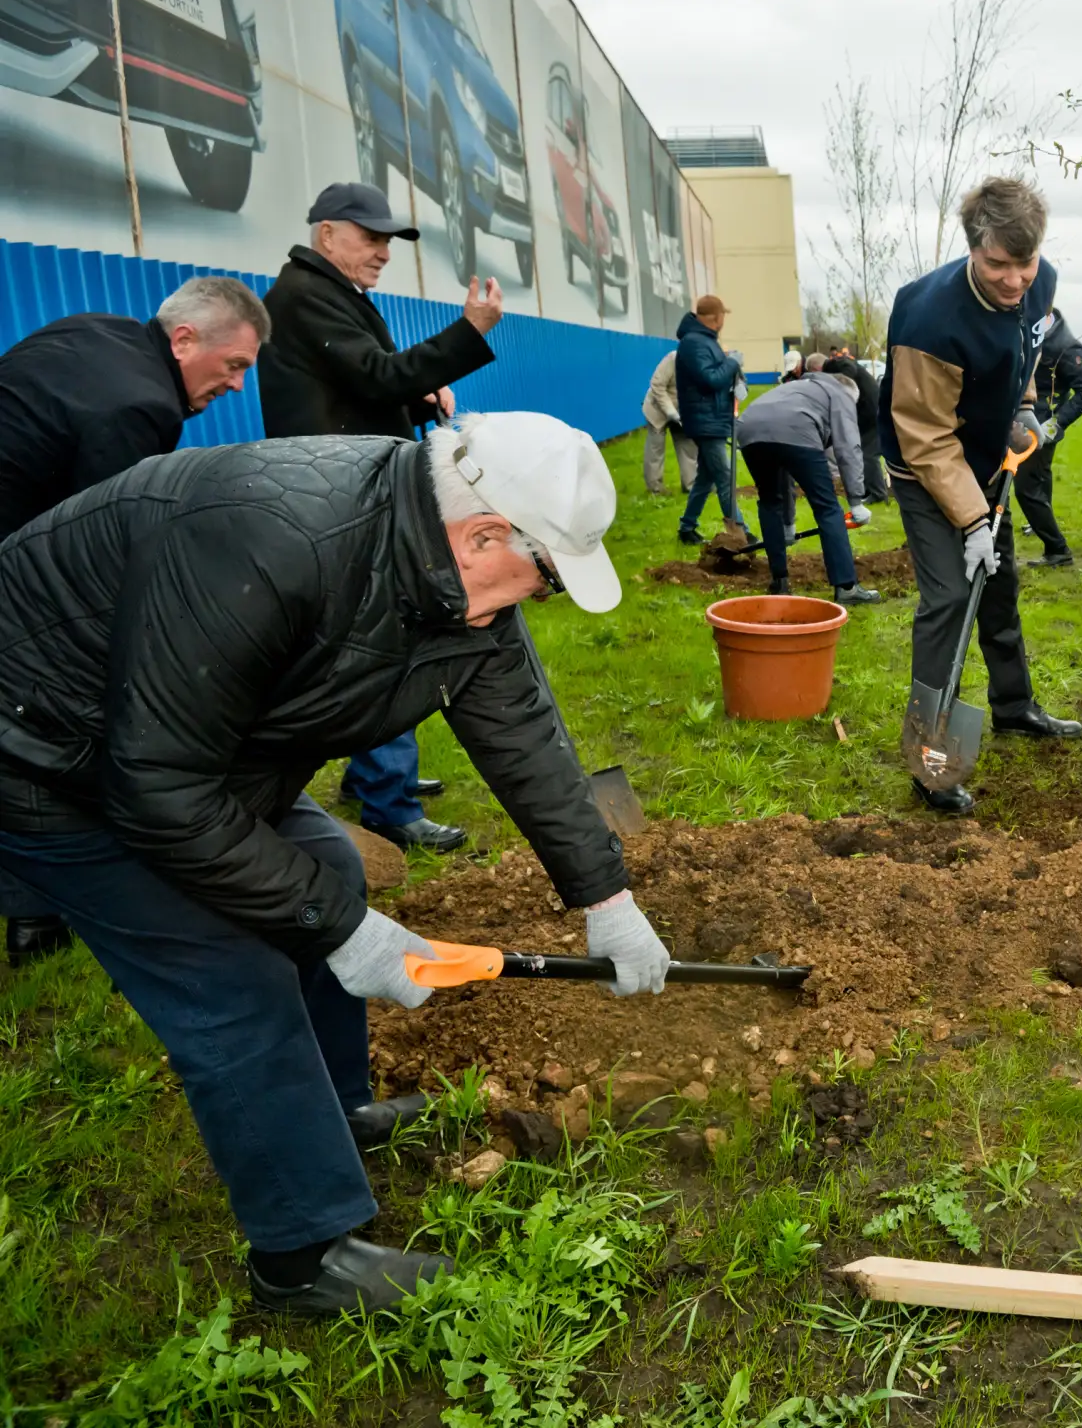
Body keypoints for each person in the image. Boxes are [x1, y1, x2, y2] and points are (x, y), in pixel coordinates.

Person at [0, 410, 670, 1315]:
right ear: (483, 536)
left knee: (331, 869)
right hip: (50, 755)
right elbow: (155, 789)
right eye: (546, 576)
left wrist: (606, 897)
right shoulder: (274, 538)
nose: (539, 599)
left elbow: (520, 729)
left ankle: (335, 1110)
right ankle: (301, 1254)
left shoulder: (442, 561)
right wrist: (344, 932)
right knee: (231, 971)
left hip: (195, 748)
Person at [0, 275, 268, 966]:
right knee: (42, 731)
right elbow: (101, 549)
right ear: (184, 340)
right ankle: (39, 916)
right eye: (234, 364)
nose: (237, 385)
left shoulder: (94, 329)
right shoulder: (142, 405)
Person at [260, 180, 505, 855]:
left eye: (388, 241)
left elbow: (359, 387)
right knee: (384, 634)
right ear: (327, 233)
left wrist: (417, 400)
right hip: (339, 496)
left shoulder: (328, 293)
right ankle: (388, 803)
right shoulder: (305, 295)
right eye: (371, 238)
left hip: (342, 488)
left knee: (369, 632)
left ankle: (375, 775)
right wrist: (469, 333)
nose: (383, 252)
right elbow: (376, 377)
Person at [879, 176, 1082, 816]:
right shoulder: (928, 319)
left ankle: (1014, 706)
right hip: (926, 468)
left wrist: (1024, 408)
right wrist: (971, 520)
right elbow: (924, 436)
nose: (1014, 280)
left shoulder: (1040, 282)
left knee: (999, 585)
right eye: (998, 265)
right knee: (949, 600)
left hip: (988, 461)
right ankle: (929, 759)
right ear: (973, 248)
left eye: (1025, 263)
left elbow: (1025, 355)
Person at [737, 370, 879, 605]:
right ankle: (846, 587)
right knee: (827, 508)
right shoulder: (841, 394)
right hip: (797, 430)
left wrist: (788, 524)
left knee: (770, 501)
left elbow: (783, 468)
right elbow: (848, 448)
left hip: (749, 429)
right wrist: (856, 502)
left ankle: (780, 583)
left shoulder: (797, 388)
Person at [1016, 307, 1082, 569]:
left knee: (1026, 488)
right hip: (1021, 420)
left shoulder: (1065, 347)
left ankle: (1057, 550)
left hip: (1041, 425)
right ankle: (1040, 523)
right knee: (1040, 478)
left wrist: (1056, 424)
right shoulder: (1026, 333)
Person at [675, 294, 753, 545]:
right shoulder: (694, 343)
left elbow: (717, 378)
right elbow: (710, 379)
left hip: (712, 418)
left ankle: (687, 527)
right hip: (705, 421)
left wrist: (736, 381)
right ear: (717, 318)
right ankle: (740, 532)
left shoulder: (705, 341)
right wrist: (732, 362)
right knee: (725, 477)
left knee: (706, 477)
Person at [821, 350, 889, 503]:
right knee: (861, 454)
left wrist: (840, 384)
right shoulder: (836, 367)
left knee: (868, 455)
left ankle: (878, 494)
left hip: (872, 414)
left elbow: (850, 368)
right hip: (866, 414)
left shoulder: (839, 365)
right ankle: (868, 490)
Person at [642, 348, 695, 496]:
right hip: (657, 409)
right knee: (656, 448)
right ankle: (655, 489)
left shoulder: (701, 362)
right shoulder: (673, 359)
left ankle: (691, 485)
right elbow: (657, 385)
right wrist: (670, 411)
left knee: (688, 446)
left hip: (682, 412)